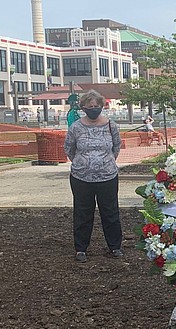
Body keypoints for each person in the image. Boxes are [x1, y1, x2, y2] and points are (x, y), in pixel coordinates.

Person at [63, 90, 124, 263]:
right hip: (81, 178)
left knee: (110, 212)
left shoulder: (111, 125)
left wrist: (105, 163)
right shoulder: (76, 127)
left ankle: (115, 247)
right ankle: (81, 249)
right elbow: (69, 148)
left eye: (97, 106)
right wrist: (83, 163)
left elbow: (116, 147)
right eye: (90, 106)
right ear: (83, 108)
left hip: (108, 177)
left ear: (102, 107)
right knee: (83, 213)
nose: (94, 109)